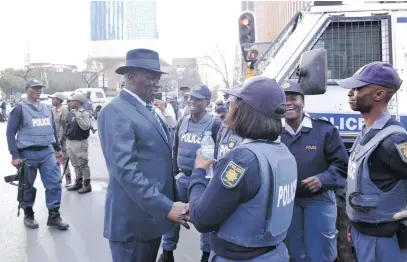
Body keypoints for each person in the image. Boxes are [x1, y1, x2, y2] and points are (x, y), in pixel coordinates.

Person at [188, 76, 298, 261]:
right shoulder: (283, 153)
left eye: (236, 103)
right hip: (273, 253)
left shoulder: (242, 160)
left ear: (246, 111)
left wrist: (198, 171)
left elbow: (201, 219)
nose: (231, 108)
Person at [97, 48, 190, 262]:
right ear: (131, 77)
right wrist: (167, 207)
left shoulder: (147, 109)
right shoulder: (116, 111)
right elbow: (126, 171)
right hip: (133, 224)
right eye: (152, 78)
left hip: (149, 219)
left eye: (158, 78)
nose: (158, 85)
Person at [336, 61, 407, 261]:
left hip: (386, 242)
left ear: (379, 94)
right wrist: (354, 223)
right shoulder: (367, 132)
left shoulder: (393, 141)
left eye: (358, 88)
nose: (350, 92)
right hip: (363, 234)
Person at [280, 80, 349, 261]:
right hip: (288, 203)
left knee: (322, 254)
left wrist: (323, 179)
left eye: (293, 98)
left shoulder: (324, 130)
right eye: (284, 99)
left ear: (303, 102)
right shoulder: (274, 133)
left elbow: (342, 165)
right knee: (294, 254)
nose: (289, 102)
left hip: (319, 201)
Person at [158, 84, 222, 262]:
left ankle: (206, 255)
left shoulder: (215, 124)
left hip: (203, 181)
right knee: (173, 215)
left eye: (198, 99)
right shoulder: (182, 121)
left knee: (204, 220)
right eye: (191, 98)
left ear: (207, 102)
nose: (192, 101)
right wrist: (175, 173)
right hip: (182, 179)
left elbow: (221, 154)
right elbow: (175, 148)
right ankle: (167, 252)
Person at [6, 79, 69, 230]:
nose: (39, 90)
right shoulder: (19, 108)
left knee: (54, 183)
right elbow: (10, 133)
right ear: (28, 89)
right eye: (35, 88)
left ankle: (54, 216)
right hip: (27, 154)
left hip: (47, 152)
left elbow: (52, 130)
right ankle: (28, 214)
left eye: (40, 88)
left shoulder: (47, 108)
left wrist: (58, 149)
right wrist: (14, 155)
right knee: (27, 186)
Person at [64, 93, 92, 194]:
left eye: (72, 101)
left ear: (78, 102)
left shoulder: (84, 113)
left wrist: (79, 117)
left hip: (79, 142)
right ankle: (78, 182)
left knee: (83, 164)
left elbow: (85, 126)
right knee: (75, 164)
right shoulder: (71, 112)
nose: (70, 103)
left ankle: (87, 184)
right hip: (70, 141)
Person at [49, 92, 72, 187]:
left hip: (61, 139)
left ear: (58, 100)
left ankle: (68, 178)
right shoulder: (52, 110)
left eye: (53, 98)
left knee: (64, 159)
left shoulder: (64, 110)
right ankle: (56, 178)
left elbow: (64, 126)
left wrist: (61, 139)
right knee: (53, 160)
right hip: (52, 139)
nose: (52, 100)